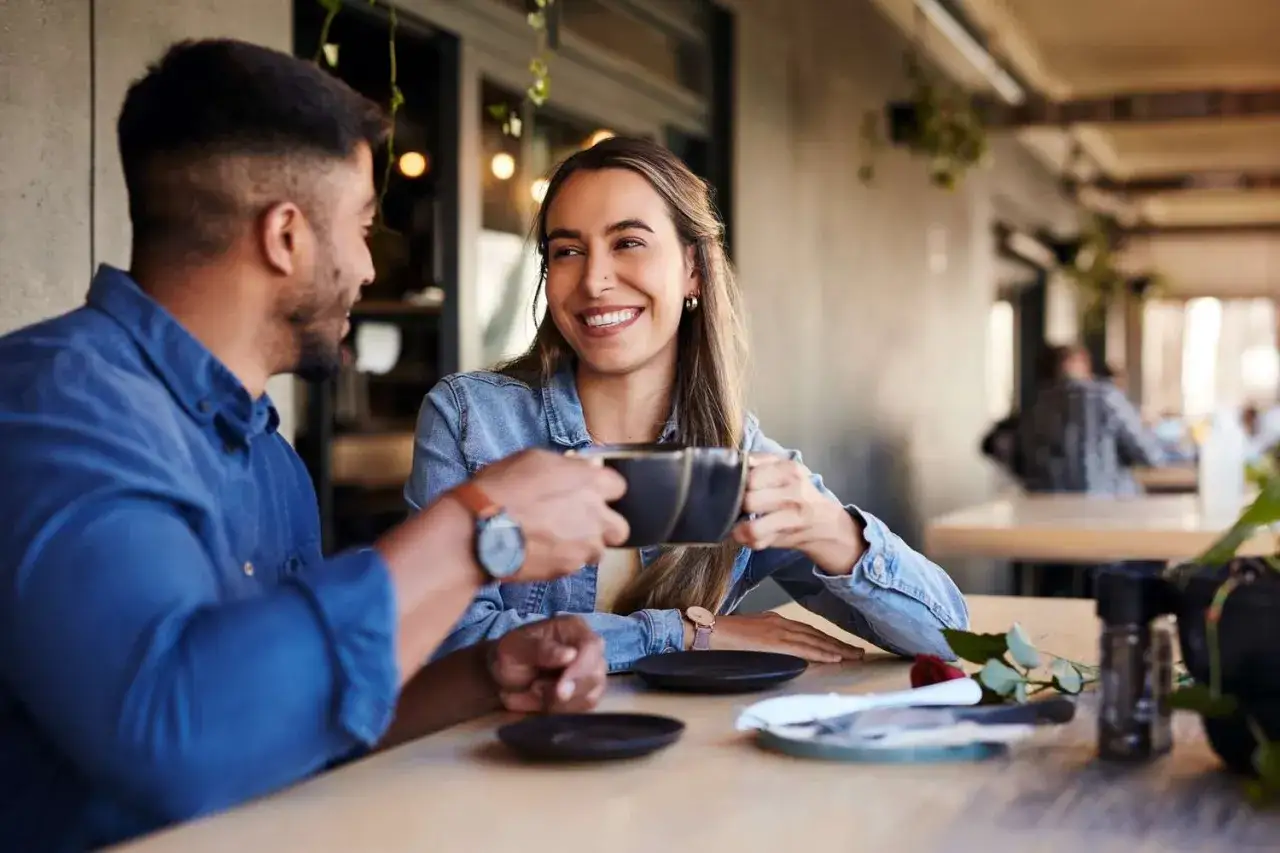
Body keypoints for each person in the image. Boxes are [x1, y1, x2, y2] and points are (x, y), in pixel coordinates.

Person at [0, 40, 631, 852]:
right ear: (286, 236)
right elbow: (175, 737)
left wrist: (484, 673)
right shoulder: (53, 408)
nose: (368, 267)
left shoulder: (265, 450)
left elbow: (279, 722)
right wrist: (478, 529)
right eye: (363, 227)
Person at [406, 137, 969, 672]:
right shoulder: (472, 419)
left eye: (628, 243)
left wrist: (831, 529)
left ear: (693, 269)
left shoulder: (736, 453)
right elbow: (443, 641)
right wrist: (683, 634)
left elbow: (947, 636)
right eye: (568, 251)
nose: (594, 280)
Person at [1018, 344, 1166, 496]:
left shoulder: (1033, 405)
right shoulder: (1107, 398)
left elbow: (1017, 463)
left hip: (1046, 504)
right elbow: (1150, 455)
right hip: (1106, 502)